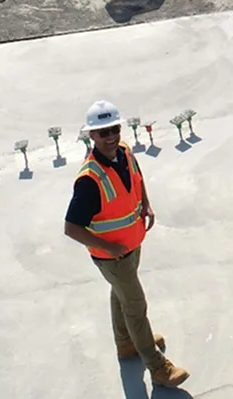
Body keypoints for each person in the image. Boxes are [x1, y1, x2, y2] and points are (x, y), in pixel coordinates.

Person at [62, 100, 189, 388]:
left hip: (131, 246)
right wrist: (109, 248)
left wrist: (147, 204)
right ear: (91, 136)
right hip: (113, 257)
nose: (110, 137)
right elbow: (71, 228)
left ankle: (127, 345)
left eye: (114, 129)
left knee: (121, 295)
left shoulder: (125, 153)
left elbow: (137, 179)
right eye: (103, 132)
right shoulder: (89, 180)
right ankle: (158, 368)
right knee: (135, 305)